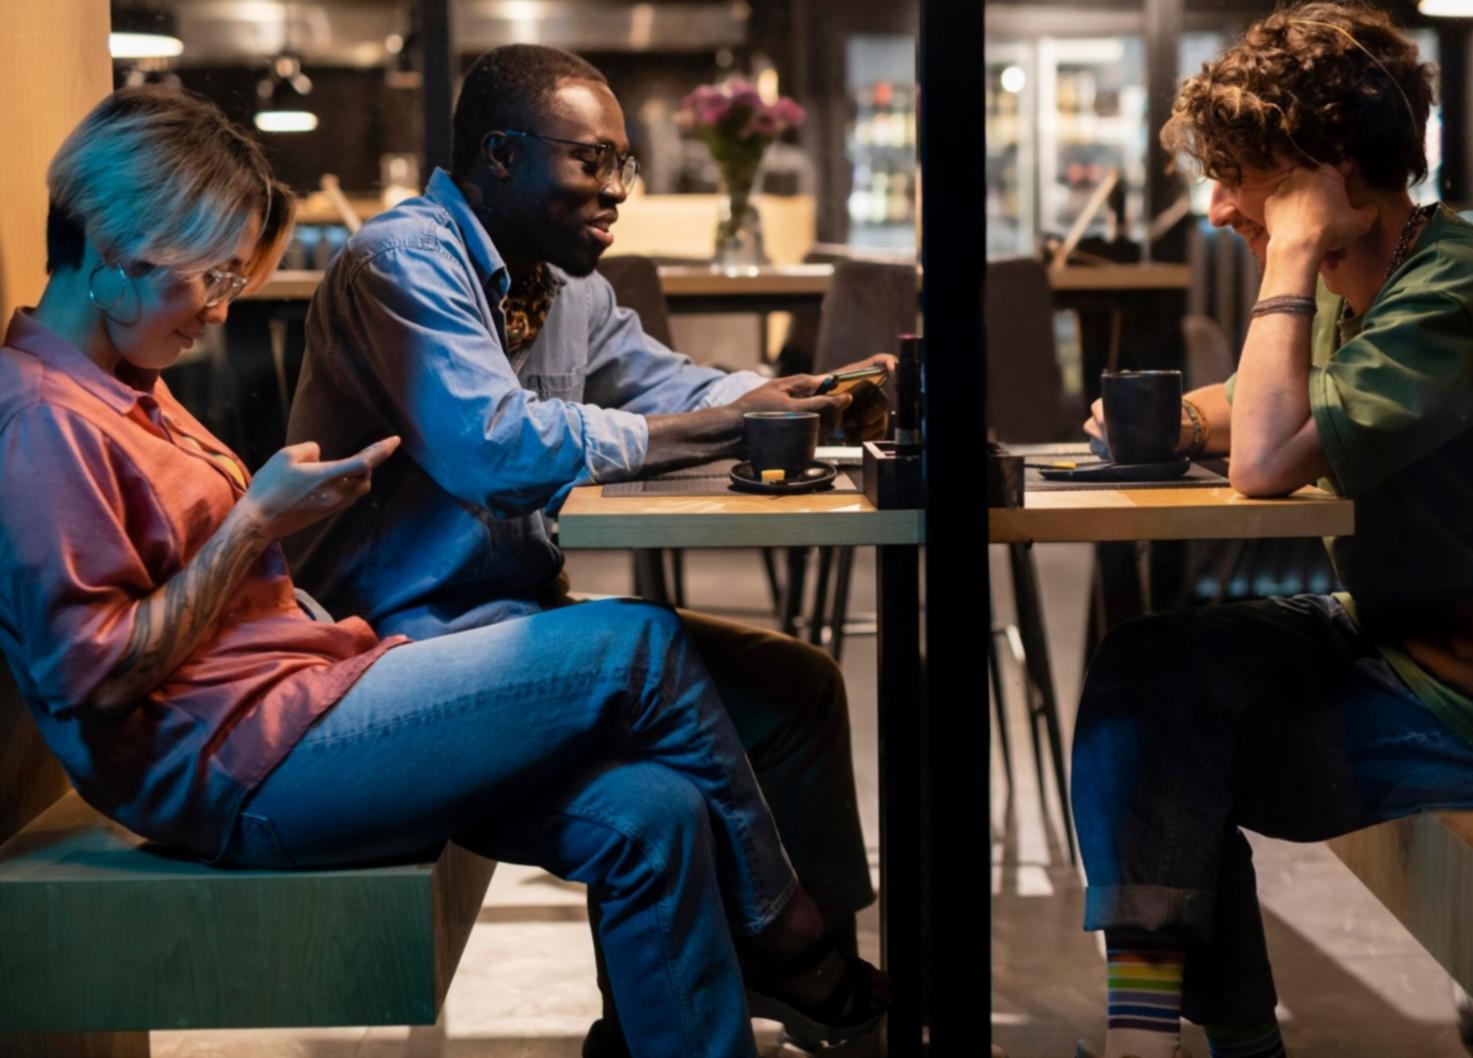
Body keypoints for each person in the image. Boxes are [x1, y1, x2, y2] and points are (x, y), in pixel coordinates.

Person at [0, 85, 884, 1058]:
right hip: (242, 767)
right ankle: (784, 933)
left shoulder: (125, 387)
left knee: (656, 811)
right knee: (641, 644)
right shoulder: (43, 418)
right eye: (204, 277)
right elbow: (84, 675)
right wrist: (255, 522)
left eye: (227, 282)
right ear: (112, 251)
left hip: (308, 699)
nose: (216, 310)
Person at [282, 45, 890, 1053]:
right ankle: (790, 947)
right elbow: (494, 448)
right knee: (649, 704)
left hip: (518, 627)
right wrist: (717, 432)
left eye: (623, 167)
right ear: (500, 156)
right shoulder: (401, 262)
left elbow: (670, 385)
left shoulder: (563, 287)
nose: (616, 193)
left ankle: (800, 981)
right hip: (393, 651)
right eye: (590, 163)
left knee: (796, 691)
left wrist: (794, 397)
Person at [1074, 5, 1473, 1057]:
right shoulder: (1381, 281)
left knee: (1165, 733)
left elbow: (1263, 459)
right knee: (1149, 671)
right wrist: (1174, 417)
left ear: (1329, 174)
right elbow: (1247, 402)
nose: (1219, 208)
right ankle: (1175, 1037)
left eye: (1246, 179)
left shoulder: (1453, 289)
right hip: (1404, 639)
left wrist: (1292, 252)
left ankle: (1169, 1041)